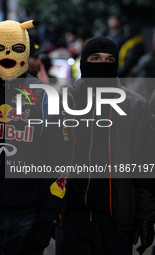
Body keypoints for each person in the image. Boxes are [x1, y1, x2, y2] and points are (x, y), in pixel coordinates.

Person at [0, 17, 71, 255]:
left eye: (17, 48)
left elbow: (60, 158)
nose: (8, 54)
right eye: (0, 47)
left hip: (28, 216)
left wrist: (47, 215)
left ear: (26, 50)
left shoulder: (45, 96)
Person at [56, 36, 155, 255]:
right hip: (69, 219)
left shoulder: (135, 106)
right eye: (95, 58)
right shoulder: (64, 103)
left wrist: (146, 216)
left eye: (109, 60)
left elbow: (144, 167)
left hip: (114, 222)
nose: (102, 64)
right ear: (84, 62)